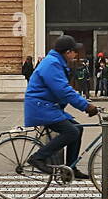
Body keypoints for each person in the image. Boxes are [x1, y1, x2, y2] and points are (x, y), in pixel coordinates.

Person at [24, 34, 99, 178]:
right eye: (74, 51)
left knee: (77, 128)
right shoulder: (52, 64)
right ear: (67, 52)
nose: (76, 55)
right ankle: (38, 158)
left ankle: (70, 168)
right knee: (71, 132)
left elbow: (63, 90)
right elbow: (63, 90)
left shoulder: (56, 62)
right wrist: (86, 106)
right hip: (41, 107)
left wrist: (85, 105)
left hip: (47, 106)